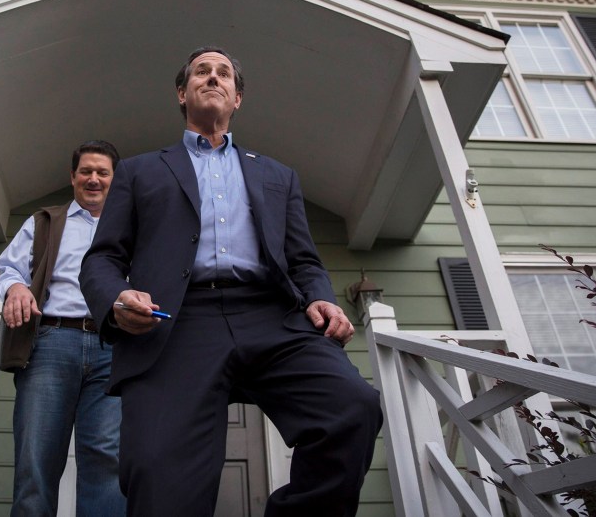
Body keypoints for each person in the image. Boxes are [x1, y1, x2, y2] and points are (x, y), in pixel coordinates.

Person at [79, 48, 383, 517]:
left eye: (224, 73)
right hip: (175, 322)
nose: (213, 77)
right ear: (182, 93)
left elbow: (304, 261)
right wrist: (117, 298)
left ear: (237, 97)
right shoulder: (140, 171)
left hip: (271, 317)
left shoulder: (278, 174)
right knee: (157, 472)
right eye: (202, 71)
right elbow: (102, 259)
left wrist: (322, 299)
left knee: (353, 407)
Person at [0, 140, 125, 517]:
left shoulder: (129, 229)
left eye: (103, 172)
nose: (94, 179)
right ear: (73, 177)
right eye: (86, 171)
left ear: (114, 180)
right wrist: (16, 287)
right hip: (51, 343)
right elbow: (9, 270)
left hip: (112, 347)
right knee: (37, 457)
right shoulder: (45, 221)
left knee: (108, 460)